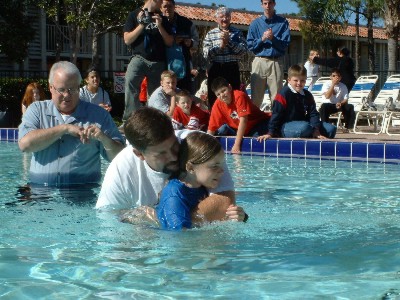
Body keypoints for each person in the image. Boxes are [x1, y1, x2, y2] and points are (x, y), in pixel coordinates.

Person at [96, 107, 247, 223]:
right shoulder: (121, 168)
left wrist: (169, 221)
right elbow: (107, 220)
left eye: (174, 146)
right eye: (161, 154)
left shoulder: (198, 146)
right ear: (139, 154)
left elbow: (225, 202)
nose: (174, 156)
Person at [18, 61, 125, 186]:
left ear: (79, 87)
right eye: (61, 90)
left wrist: (104, 139)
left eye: (72, 89)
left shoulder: (99, 115)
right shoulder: (37, 110)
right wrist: (64, 128)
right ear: (50, 87)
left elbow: (120, 158)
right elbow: (25, 145)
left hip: (82, 194)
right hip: (40, 193)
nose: (67, 95)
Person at [157, 131, 228, 230]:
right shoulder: (174, 194)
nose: (222, 171)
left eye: (221, 165)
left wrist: (235, 216)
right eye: (214, 166)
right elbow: (178, 236)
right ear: (190, 168)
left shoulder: (202, 187)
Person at [121, 0, 173, 125]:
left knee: (155, 93)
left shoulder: (162, 18)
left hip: (157, 60)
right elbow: (127, 40)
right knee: (130, 81)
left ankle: (152, 121)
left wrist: (160, 25)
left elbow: (170, 42)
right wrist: (142, 25)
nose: (162, 2)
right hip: (139, 57)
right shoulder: (134, 15)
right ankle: (130, 120)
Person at [257, 64, 336, 140]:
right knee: (305, 128)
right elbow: (276, 114)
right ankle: (308, 134)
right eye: (296, 80)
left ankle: (312, 135)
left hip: (303, 123)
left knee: (331, 129)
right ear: (289, 80)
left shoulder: (307, 95)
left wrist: (316, 129)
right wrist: (270, 132)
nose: (299, 83)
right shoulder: (283, 94)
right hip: (285, 126)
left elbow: (313, 113)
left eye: (302, 81)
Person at [207, 77, 270, 153]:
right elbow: (211, 129)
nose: (222, 95)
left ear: (230, 87)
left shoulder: (239, 96)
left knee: (256, 138)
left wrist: (236, 145)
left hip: (256, 123)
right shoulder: (217, 104)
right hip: (237, 127)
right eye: (218, 94)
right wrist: (206, 147)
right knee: (221, 131)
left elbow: (243, 121)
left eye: (223, 91)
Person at [247, 0, 291, 108]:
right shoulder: (255, 24)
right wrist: (261, 39)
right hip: (259, 60)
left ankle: (276, 124)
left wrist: (273, 39)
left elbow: (285, 45)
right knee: (256, 97)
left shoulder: (283, 23)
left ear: (274, 4)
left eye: (270, 3)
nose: (267, 6)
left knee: (276, 97)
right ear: (261, 5)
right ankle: (255, 124)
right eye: (265, 3)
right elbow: (250, 46)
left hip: (275, 61)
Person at [203, 6, 247, 109]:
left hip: (232, 68)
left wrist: (229, 42)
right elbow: (206, 54)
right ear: (217, 19)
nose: (224, 19)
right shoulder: (211, 34)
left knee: (234, 96)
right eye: (221, 16)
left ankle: (234, 120)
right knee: (214, 97)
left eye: (227, 16)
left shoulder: (237, 33)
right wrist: (221, 46)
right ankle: (215, 121)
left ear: (230, 18)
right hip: (216, 69)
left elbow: (243, 51)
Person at [161, 0, 199, 93]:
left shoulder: (187, 23)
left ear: (174, 7)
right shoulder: (158, 22)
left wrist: (190, 42)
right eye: (165, 6)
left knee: (185, 95)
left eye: (170, 6)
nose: (167, 9)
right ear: (160, 8)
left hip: (184, 67)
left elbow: (197, 41)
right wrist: (171, 41)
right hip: (163, 65)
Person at [320, 68, 355, 133]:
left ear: (340, 77)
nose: (336, 77)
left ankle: (349, 127)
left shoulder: (343, 86)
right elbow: (327, 96)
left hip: (338, 105)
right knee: (323, 107)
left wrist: (340, 103)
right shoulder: (326, 84)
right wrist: (333, 84)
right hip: (328, 104)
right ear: (330, 77)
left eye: (338, 76)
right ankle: (325, 127)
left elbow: (345, 99)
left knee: (350, 107)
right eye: (334, 76)